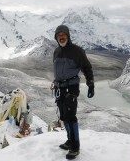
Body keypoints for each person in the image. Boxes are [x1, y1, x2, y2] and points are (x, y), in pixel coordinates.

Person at [52, 25, 95, 160]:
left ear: (68, 36)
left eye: (64, 35)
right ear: (56, 37)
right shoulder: (56, 51)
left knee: (71, 116)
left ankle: (75, 147)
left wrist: (90, 84)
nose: (62, 37)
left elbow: (87, 67)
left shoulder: (77, 51)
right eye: (59, 35)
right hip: (59, 88)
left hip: (71, 87)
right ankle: (70, 140)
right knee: (64, 116)